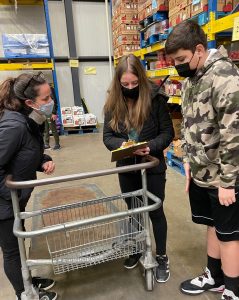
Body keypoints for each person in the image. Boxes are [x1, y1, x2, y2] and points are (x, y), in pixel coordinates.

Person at [165, 20, 239, 300]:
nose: (178, 65)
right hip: (202, 172)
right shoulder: (190, 79)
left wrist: (229, 183)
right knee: (212, 225)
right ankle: (214, 276)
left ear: (199, 49)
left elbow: (234, 134)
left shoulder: (225, 76)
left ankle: (233, 290)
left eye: (181, 59)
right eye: (174, 61)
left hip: (225, 177)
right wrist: (186, 159)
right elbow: (187, 123)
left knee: (230, 234)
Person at [103, 54, 174, 283]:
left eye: (134, 83)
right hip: (126, 166)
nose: (131, 88)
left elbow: (167, 132)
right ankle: (136, 248)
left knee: (155, 210)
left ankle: (161, 256)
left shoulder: (155, 98)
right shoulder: (113, 103)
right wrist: (123, 146)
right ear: (118, 83)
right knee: (133, 210)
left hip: (152, 165)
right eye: (125, 84)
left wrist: (150, 147)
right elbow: (107, 137)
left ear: (141, 79)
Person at [0, 72, 57, 300]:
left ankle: (28, 281)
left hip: (14, 200)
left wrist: (42, 160)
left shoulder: (28, 120)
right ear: (29, 103)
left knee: (19, 242)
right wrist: (11, 194)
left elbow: (24, 153)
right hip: (4, 204)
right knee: (12, 251)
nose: (50, 102)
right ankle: (25, 294)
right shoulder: (13, 126)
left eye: (50, 96)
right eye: (45, 99)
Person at [44, 85, 61, 150]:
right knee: (45, 129)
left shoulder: (49, 89)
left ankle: (57, 144)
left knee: (53, 128)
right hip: (44, 112)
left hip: (50, 112)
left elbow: (54, 101)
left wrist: (54, 113)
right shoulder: (40, 90)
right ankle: (46, 144)